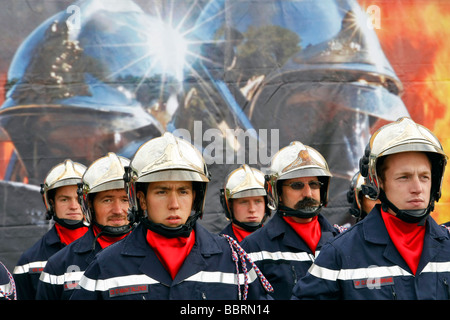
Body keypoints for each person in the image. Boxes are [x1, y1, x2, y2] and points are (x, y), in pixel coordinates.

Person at [70, 132, 273, 300]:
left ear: (196, 197)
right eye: (162, 192)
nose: (174, 204)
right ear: (141, 199)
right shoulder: (107, 265)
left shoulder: (233, 261)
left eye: (183, 191)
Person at [292, 117, 450, 300]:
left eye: (424, 177)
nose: (417, 188)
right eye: (404, 177)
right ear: (379, 182)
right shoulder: (339, 253)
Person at [240, 141, 341, 299]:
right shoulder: (253, 248)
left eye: (314, 184)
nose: (308, 193)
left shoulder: (341, 241)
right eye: (297, 185)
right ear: (277, 191)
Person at [36, 153, 133, 300]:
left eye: (125, 200)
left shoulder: (160, 257)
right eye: (107, 200)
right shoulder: (58, 266)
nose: (118, 210)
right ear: (89, 205)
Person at [13, 160, 87, 299]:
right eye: (64, 199)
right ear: (51, 203)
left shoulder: (110, 248)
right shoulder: (29, 262)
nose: (74, 206)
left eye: (80, 199)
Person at [219, 164, 271, 242]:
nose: (252, 209)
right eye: (244, 202)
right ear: (229, 206)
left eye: (258, 201)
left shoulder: (280, 242)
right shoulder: (217, 247)